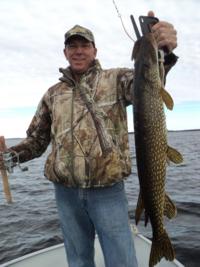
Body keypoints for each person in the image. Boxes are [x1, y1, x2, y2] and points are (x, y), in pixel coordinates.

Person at [0, 11, 178, 267]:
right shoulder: (53, 95)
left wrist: (164, 53)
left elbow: (150, 82)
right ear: (65, 53)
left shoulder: (116, 79)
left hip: (108, 193)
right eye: (73, 46)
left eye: (85, 45)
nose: (79, 51)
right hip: (66, 195)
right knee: (79, 261)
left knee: (122, 261)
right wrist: (8, 157)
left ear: (95, 50)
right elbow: (37, 141)